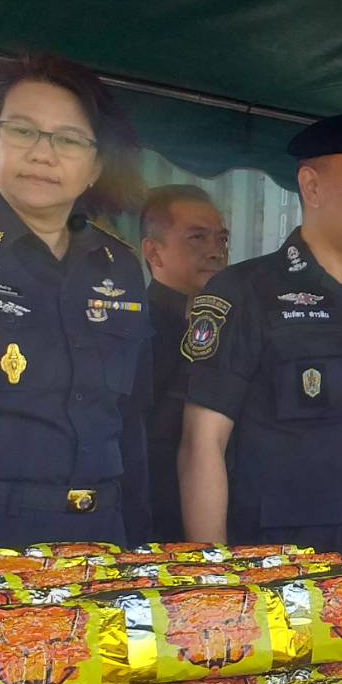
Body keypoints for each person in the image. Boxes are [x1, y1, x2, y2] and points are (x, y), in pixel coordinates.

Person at [0, 55, 149, 547]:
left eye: (68, 139)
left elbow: (127, 421)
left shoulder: (119, 265)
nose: (43, 153)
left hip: (96, 536)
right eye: (22, 132)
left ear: (97, 164)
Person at [179, 112, 342, 552]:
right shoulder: (247, 291)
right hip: (291, 583)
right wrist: (216, 579)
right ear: (312, 186)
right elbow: (202, 444)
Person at [140, 184, 229, 541]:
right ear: (154, 252)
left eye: (222, 239)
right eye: (197, 238)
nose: (215, 252)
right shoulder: (136, 329)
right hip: (154, 515)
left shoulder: (232, 326)